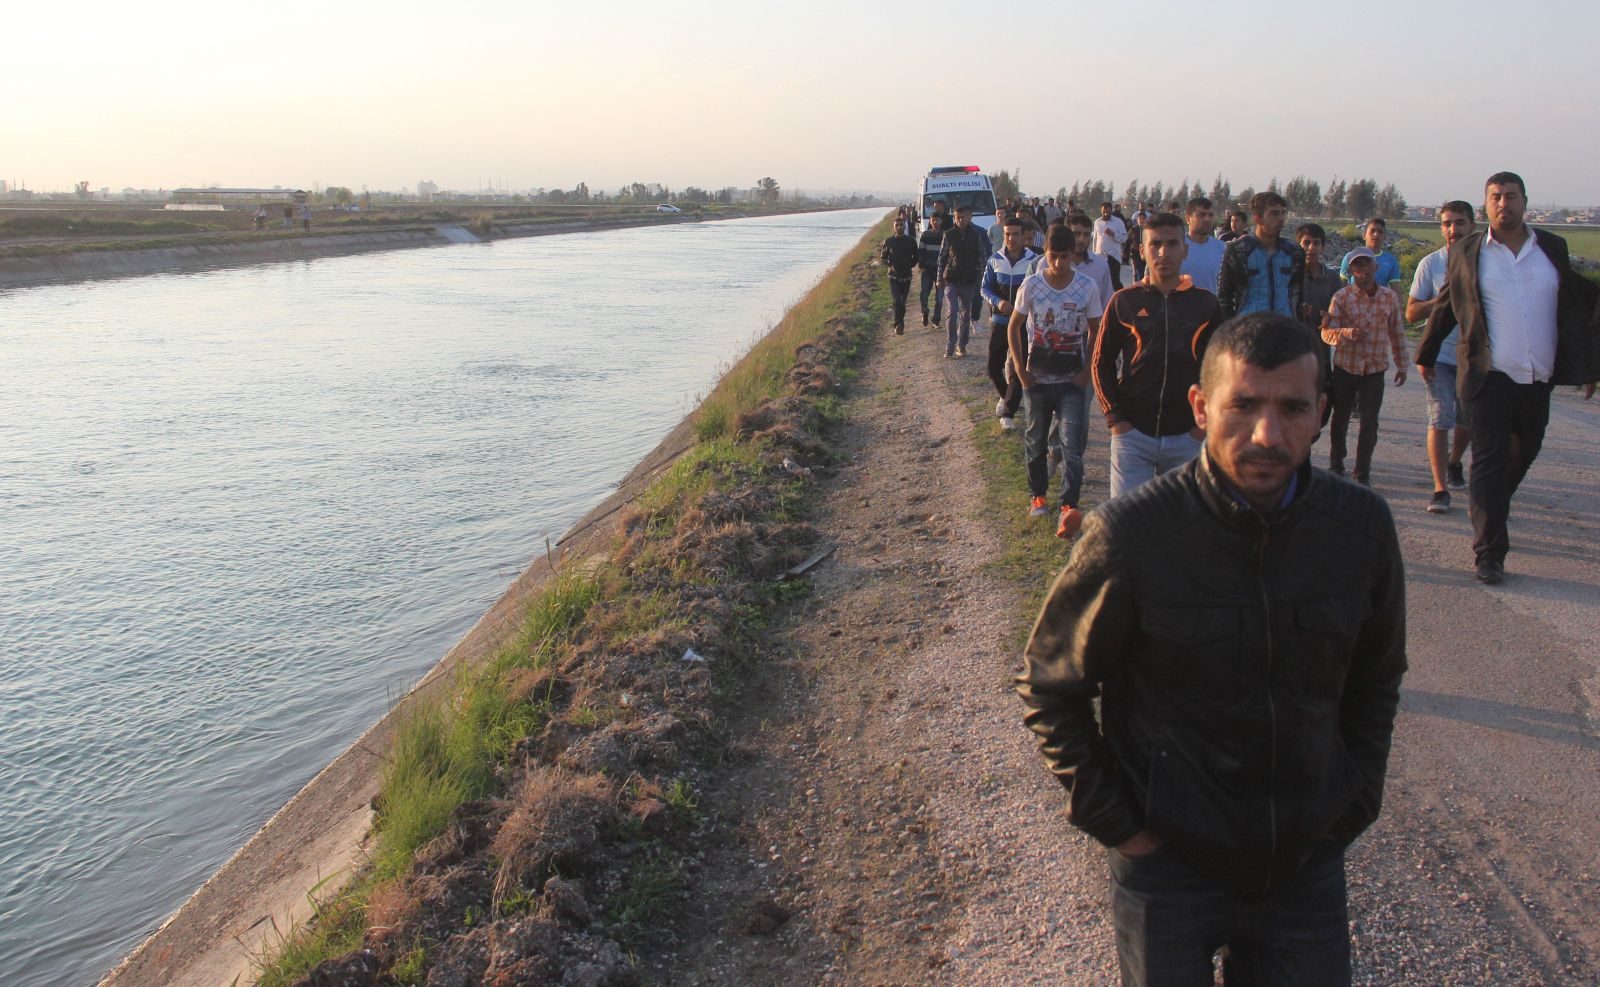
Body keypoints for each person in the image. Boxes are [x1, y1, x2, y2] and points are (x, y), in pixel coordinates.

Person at [1017, 311, 1406, 987]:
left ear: (1320, 413)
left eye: (1292, 408)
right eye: (1243, 405)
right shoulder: (1132, 537)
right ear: (1201, 407)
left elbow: (1377, 679)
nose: (1266, 433)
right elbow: (1052, 684)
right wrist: (1122, 826)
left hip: (1303, 866)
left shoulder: (1360, 532)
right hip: (1169, 869)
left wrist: (1352, 802)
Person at [1417, 171, 1600, 584]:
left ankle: (1489, 503)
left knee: (1527, 448)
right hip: (1487, 376)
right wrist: (1426, 353)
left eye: (1511, 196)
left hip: (1538, 377)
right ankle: (1489, 552)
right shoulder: (1468, 251)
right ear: (1486, 205)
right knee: (1487, 458)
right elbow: (1446, 304)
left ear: (1525, 201)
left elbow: (1571, 308)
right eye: (1496, 197)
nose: (1504, 203)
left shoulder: (1552, 248)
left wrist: (1589, 364)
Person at [1095, 213, 1223, 498]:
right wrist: (1116, 419)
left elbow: (1222, 371)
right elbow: (1100, 362)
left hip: (1187, 437)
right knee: (1128, 527)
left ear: (1185, 249)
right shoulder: (1124, 301)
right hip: (1133, 436)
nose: (1163, 252)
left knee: (1180, 530)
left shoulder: (1205, 304)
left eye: (1172, 243)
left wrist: (1202, 428)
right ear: (1142, 251)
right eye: (1155, 244)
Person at [1008, 223, 1102, 539]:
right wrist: (1021, 370)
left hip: (1072, 381)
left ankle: (1068, 506)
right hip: (1037, 381)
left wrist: (1087, 370)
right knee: (1035, 442)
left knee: (1071, 445)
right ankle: (1038, 497)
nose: (1059, 264)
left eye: (1065, 257)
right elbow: (1014, 327)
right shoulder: (1032, 285)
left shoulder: (1086, 286)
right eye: (1053, 256)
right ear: (1045, 253)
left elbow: (1096, 330)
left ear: (1073, 255)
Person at [1407, 201, 1476, 513]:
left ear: (1472, 226)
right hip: (1439, 356)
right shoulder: (1430, 265)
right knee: (1440, 418)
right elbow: (1411, 313)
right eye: (1447, 223)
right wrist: (1442, 301)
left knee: (1467, 421)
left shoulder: (1484, 261)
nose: (1453, 230)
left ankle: (1454, 460)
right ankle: (1440, 488)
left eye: (1459, 223)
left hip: (1475, 357)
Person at [1321, 248, 1408, 485]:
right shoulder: (1341, 298)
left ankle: (1362, 472)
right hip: (1346, 367)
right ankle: (1336, 463)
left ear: (1375, 267)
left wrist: (1402, 364)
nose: (1362, 270)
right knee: (1341, 418)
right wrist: (1347, 333)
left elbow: (1397, 332)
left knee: (1370, 421)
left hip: (1374, 368)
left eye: (1366, 265)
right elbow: (1327, 334)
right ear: (1350, 271)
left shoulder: (1389, 297)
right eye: (1357, 266)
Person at [981, 215, 1038, 430]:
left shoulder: (1034, 261)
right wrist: (998, 302)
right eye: (1007, 234)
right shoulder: (994, 260)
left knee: (1018, 368)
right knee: (993, 368)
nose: (1011, 238)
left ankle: (1008, 413)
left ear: (1024, 236)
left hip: (1024, 324)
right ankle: (1007, 397)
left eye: (1015, 234)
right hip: (1001, 321)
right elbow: (984, 288)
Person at [1217, 191, 1305, 321]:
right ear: (1257, 218)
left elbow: (1297, 295)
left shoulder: (1294, 252)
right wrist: (1232, 329)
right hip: (1248, 330)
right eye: (1274, 214)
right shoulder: (1238, 251)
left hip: (1285, 329)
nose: (1281, 219)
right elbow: (1224, 298)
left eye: (1283, 213)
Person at [1296, 223, 1343, 428]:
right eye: (1306, 243)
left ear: (1323, 247)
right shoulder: (1291, 276)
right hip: (1295, 352)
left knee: (1322, 408)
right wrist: (1298, 310)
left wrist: (1330, 318)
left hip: (1322, 352)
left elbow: (1341, 311)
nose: (1311, 248)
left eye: (1316, 243)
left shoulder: (1332, 278)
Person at [937, 204, 991, 358]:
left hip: (969, 280)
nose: (960, 220)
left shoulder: (976, 235)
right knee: (952, 310)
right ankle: (950, 345)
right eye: (957, 217)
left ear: (970, 217)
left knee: (966, 315)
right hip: (951, 279)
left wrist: (982, 279)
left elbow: (982, 258)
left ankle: (962, 345)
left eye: (963, 217)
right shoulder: (948, 235)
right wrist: (939, 278)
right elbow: (941, 258)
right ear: (954, 218)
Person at [1178, 197, 1226, 294]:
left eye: (1210, 215)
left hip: (1210, 306)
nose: (1207, 219)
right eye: (1202, 215)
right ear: (1188, 219)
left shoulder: (1221, 247)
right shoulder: (1175, 245)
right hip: (1178, 306)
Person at [880, 218, 919, 334]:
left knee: (903, 302)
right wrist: (890, 265)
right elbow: (883, 257)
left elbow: (916, 257)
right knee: (897, 301)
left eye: (901, 225)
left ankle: (900, 322)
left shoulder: (911, 241)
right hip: (893, 277)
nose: (899, 227)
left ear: (905, 226)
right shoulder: (889, 241)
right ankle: (898, 325)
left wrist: (909, 265)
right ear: (894, 227)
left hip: (906, 276)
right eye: (896, 225)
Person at [1338, 217, 1401, 289]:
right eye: (1372, 231)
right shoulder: (1351, 257)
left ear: (1384, 237)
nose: (1376, 234)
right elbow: (1341, 287)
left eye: (1380, 232)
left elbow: (1396, 291)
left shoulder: (1391, 260)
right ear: (1364, 235)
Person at [917, 213, 947, 327]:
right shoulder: (925, 235)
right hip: (927, 270)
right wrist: (921, 264)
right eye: (933, 220)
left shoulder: (945, 235)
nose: (935, 222)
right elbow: (921, 251)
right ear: (930, 221)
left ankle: (936, 319)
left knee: (939, 298)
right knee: (924, 295)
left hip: (940, 271)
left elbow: (947, 253)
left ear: (941, 221)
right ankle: (924, 312)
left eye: (937, 220)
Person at [1094, 201, 1128, 291]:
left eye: (1108, 212)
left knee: (1114, 281)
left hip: (1113, 257)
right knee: (1100, 280)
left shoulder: (1118, 222)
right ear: (1101, 211)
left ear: (1111, 210)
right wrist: (1094, 254)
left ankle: (1120, 298)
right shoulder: (1097, 222)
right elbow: (1095, 239)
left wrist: (1114, 234)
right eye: (1104, 212)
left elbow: (1124, 238)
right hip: (1100, 256)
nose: (1106, 214)